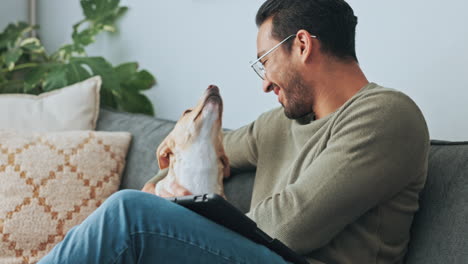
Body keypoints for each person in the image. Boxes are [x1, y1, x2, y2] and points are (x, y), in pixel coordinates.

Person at [39, 0, 429, 263]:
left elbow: (288, 226)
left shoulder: (387, 116)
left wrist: (158, 208)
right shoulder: (279, 124)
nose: (264, 83)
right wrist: (158, 187)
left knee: (129, 214)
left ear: (304, 46)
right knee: (136, 206)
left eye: (265, 61)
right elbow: (202, 147)